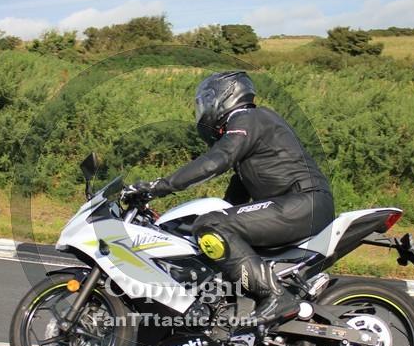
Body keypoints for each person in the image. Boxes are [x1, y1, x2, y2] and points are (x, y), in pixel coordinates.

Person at [131, 71, 334, 325]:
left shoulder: (247, 118)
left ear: (223, 96)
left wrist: (159, 186)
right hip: (298, 204)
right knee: (214, 226)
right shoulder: (254, 130)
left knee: (210, 224)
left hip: (303, 202)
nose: (202, 110)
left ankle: (275, 296)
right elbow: (234, 201)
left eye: (205, 101)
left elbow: (216, 161)